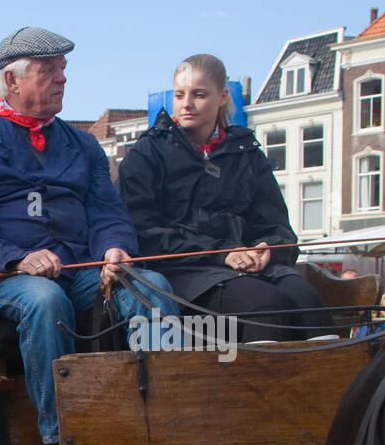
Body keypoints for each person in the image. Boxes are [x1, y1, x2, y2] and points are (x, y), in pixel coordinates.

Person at [0, 26, 179, 445]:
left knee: (150, 285)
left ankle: (163, 419)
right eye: (48, 71)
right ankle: (59, 442)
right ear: (12, 81)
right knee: (45, 300)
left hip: (78, 267)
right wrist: (18, 259)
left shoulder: (83, 145)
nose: (62, 79)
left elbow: (107, 211)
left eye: (63, 70)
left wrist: (114, 250)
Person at [118, 53, 333, 343]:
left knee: (307, 300)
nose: (186, 104)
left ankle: (331, 384)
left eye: (199, 94)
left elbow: (277, 225)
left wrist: (268, 249)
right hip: (182, 270)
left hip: (246, 266)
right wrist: (223, 254)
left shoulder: (247, 154)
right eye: (179, 95)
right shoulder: (146, 154)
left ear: (222, 97)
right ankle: (266, 386)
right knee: (265, 305)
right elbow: (143, 230)